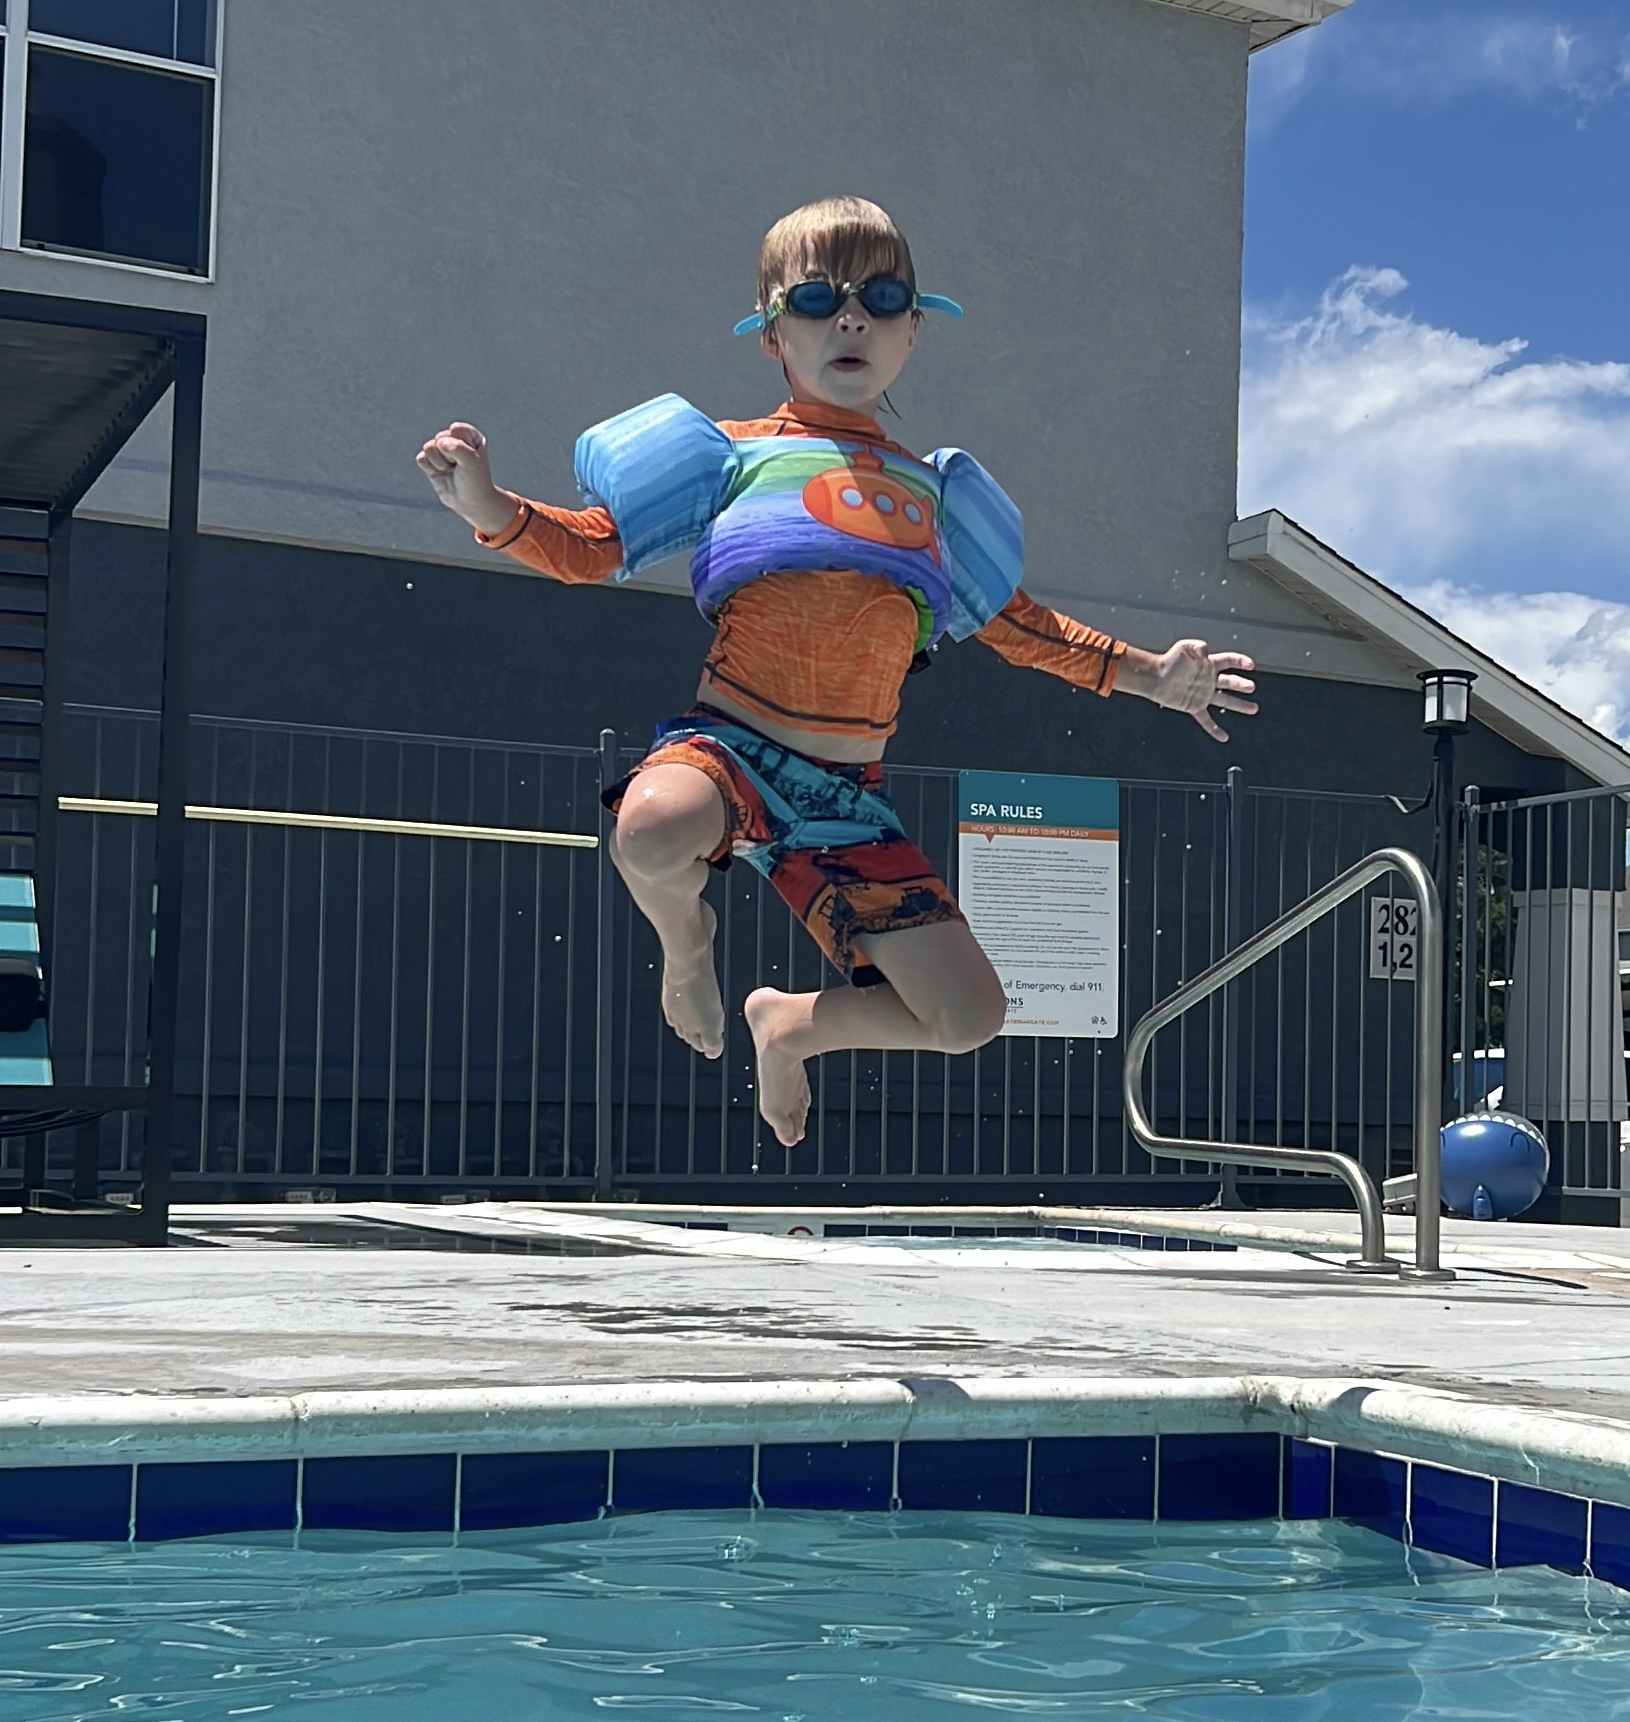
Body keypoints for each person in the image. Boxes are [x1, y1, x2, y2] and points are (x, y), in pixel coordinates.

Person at [417, 196, 1256, 1146]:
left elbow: (1019, 627)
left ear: (912, 332)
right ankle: (687, 946)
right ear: (773, 332)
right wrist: (491, 507)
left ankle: (790, 1028)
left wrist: (1152, 675)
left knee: (968, 1015)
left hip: (847, 802)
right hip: (731, 751)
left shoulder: (932, 499)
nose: (850, 318)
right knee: (649, 829)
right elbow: (594, 546)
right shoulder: (732, 456)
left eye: (881, 299)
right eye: (818, 299)